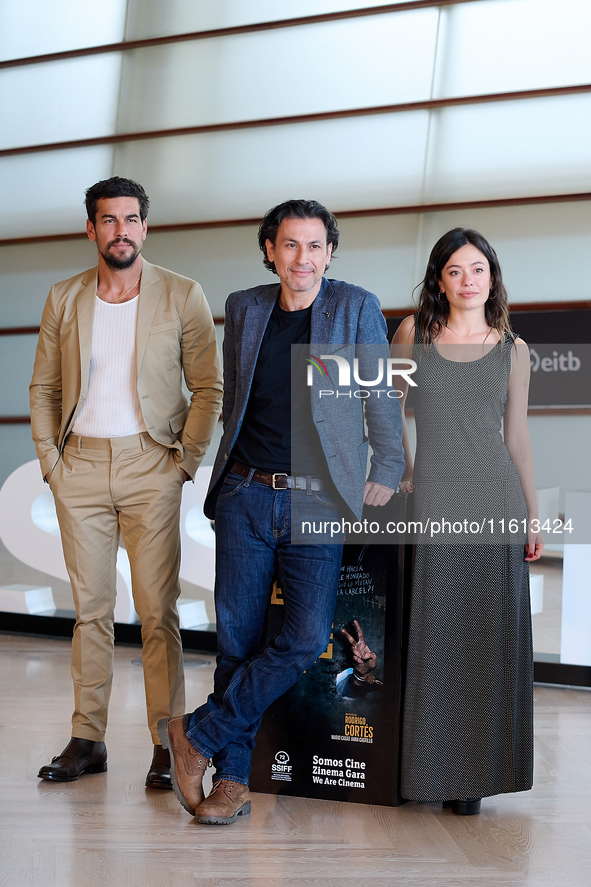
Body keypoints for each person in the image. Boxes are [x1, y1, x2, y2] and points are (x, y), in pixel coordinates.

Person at [158, 198, 405, 825]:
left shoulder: (356, 308)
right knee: (237, 642)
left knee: (301, 637)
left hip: (320, 497)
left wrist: (387, 468)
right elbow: (236, 398)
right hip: (246, 492)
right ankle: (231, 783)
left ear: (330, 252)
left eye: (315, 245)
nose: (304, 257)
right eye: (290, 245)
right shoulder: (245, 308)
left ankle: (197, 733)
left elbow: (379, 398)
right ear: (271, 250)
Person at [29, 176, 222, 788]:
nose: (120, 230)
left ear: (145, 226)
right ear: (91, 229)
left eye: (130, 219)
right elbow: (43, 391)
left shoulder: (182, 295)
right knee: (90, 612)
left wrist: (184, 460)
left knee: (157, 612)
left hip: (151, 467)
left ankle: (170, 744)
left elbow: (208, 388)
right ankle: (88, 739)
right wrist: (52, 465)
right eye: (107, 220)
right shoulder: (64, 297)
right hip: (78, 467)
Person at [392, 227, 543, 815]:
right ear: (439, 279)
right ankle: (420, 769)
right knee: (431, 635)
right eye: (455, 270)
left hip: (494, 503)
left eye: (477, 269)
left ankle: (471, 779)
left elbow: (519, 439)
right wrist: (405, 470)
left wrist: (532, 516)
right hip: (434, 501)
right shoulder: (413, 334)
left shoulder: (513, 348)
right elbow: (387, 411)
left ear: (492, 277)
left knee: (484, 639)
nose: (467, 280)